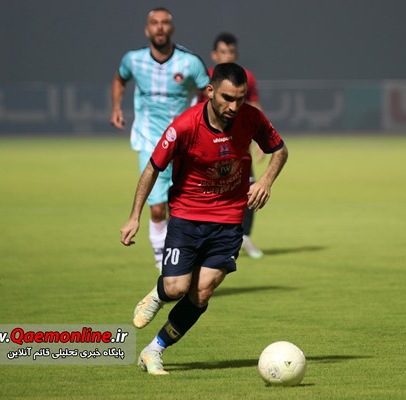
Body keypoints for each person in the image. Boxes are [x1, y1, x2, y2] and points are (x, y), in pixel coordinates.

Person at [120, 63, 289, 375]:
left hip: (229, 220)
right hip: (187, 216)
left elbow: (280, 150)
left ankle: (153, 350)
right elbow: (153, 168)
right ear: (210, 91)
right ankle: (159, 293)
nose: (234, 106)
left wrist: (265, 181)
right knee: (176, 288)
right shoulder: (185, 126)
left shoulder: (251, 118)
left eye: (240, 98)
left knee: (201, 293)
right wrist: (134, 217)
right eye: (227, 98)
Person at [110, 7, 210, 271]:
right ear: (147, 30)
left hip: (185, 145)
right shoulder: (133, 60)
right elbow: (120, 79)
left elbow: (209, 92)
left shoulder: (190, 62)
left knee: (185, 207)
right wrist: (116, 107)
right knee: (157, 210)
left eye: (165, 22)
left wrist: (204, 122)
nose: (160, 27)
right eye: (155, 23)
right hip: (149, 142)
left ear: (172, 28)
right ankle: (163, 266)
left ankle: (188, 257)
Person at [208, 32, 265, 259]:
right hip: (210, 143)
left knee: (250, 190)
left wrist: (262, 138)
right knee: (211, 191)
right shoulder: (206, 77)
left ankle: (245, 237)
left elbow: (254, 105)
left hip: (239, 144)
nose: (228, 56)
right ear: (214, 55)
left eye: (231, 52)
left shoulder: (246, 77)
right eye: (223, 52)